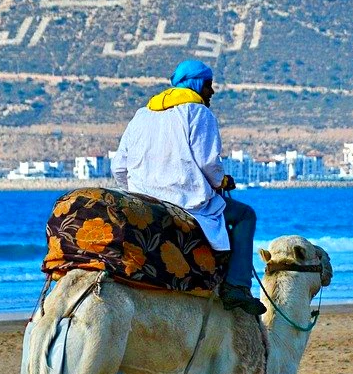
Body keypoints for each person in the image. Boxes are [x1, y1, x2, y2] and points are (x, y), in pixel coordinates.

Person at [113, 59, 266, 316]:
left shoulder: (141, 115)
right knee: (245, 215)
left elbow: (119, 167)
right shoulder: (198, 113)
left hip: (143, 202)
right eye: (208, 85)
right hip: (185, 201)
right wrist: (221, 181)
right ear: (196, 84)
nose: (211, 92)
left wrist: (136, 194)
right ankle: (237, 286)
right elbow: (208, 162)